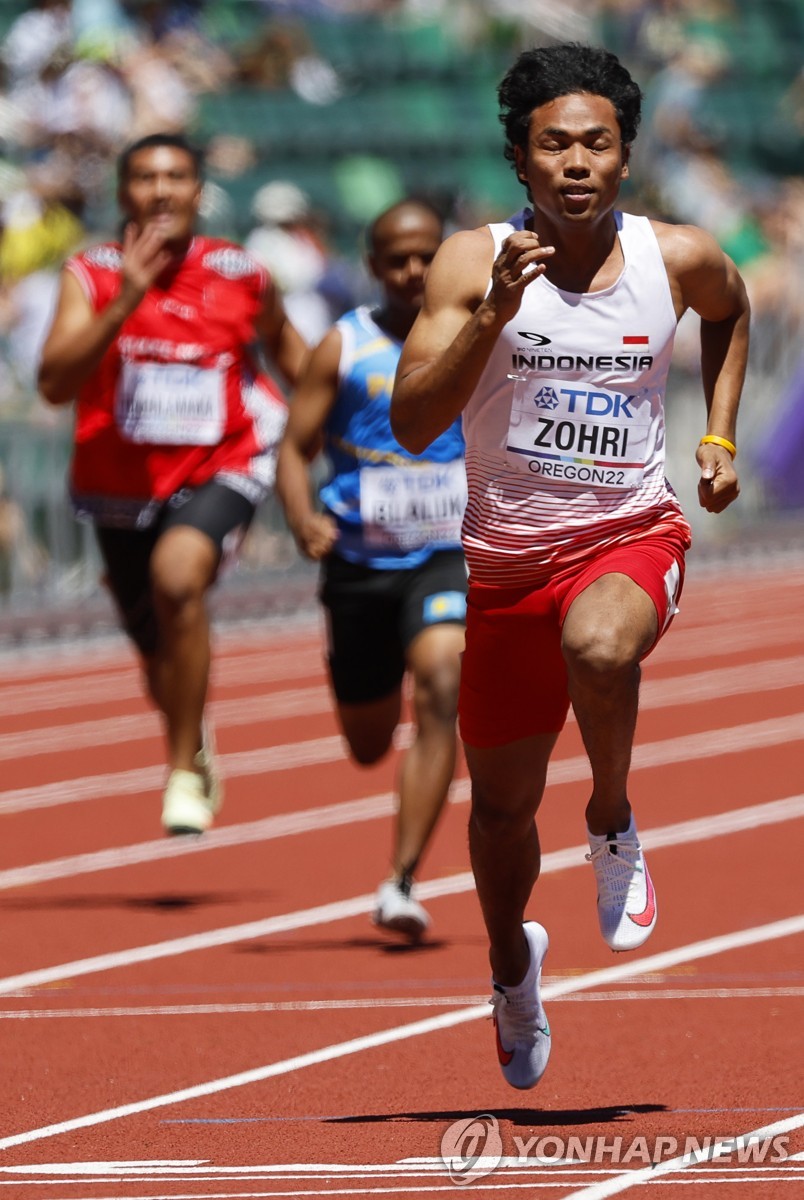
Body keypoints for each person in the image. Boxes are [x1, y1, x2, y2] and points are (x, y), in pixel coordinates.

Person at [390, 44, 748, 1086]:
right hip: (503, 569)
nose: (578, 162)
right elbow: (413, 423)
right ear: (520, 158)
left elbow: (731, 314)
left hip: (628, 534)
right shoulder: (470, 263)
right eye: (556, 145)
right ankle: (512, 967)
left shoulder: (673, 257)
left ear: (627, 158)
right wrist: (494, 314)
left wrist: (716, 437)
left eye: (597, 143)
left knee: (601, 645)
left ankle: (611, 817)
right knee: (500, 811)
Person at [37, 131, 306, 836]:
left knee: (178, 576)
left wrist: (359, 426)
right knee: (157, 651)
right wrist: (123, 301)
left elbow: (300, 367)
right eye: (146, 178)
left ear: (198, 192)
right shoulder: (89, 273)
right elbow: (55, 383)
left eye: (177, 177)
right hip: (117, 484)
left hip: (228, 459)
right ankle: (193, 733)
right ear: (122, 193)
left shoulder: (242, 272)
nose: (161, 191)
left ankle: (182, 765)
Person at [276, 199, 467, 942]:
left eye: (427, 256)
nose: (414, 272)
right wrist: (301, 518)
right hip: (359, 561)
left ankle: (403, 879)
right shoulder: (344, 346)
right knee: (365, 741)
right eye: (397, 259)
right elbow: (293, 448)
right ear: (373, 265)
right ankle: (374, 712)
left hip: (447, 554)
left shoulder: (474, 337)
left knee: (443, 685)